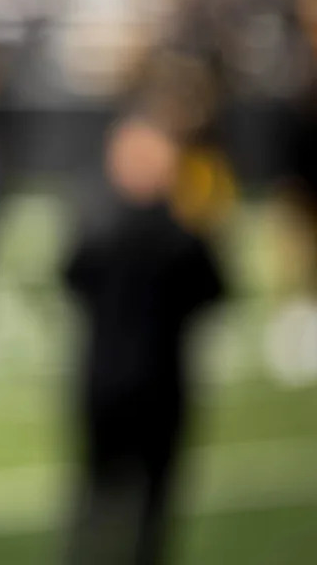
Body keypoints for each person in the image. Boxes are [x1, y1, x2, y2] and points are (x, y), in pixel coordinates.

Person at [64, 117, 224, 565]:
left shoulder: (97, 223)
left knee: (96, 499)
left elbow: (71, 279)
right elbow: (215, 292)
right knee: (151, 506)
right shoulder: (182, 229)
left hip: (104, 379)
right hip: (161, 382)